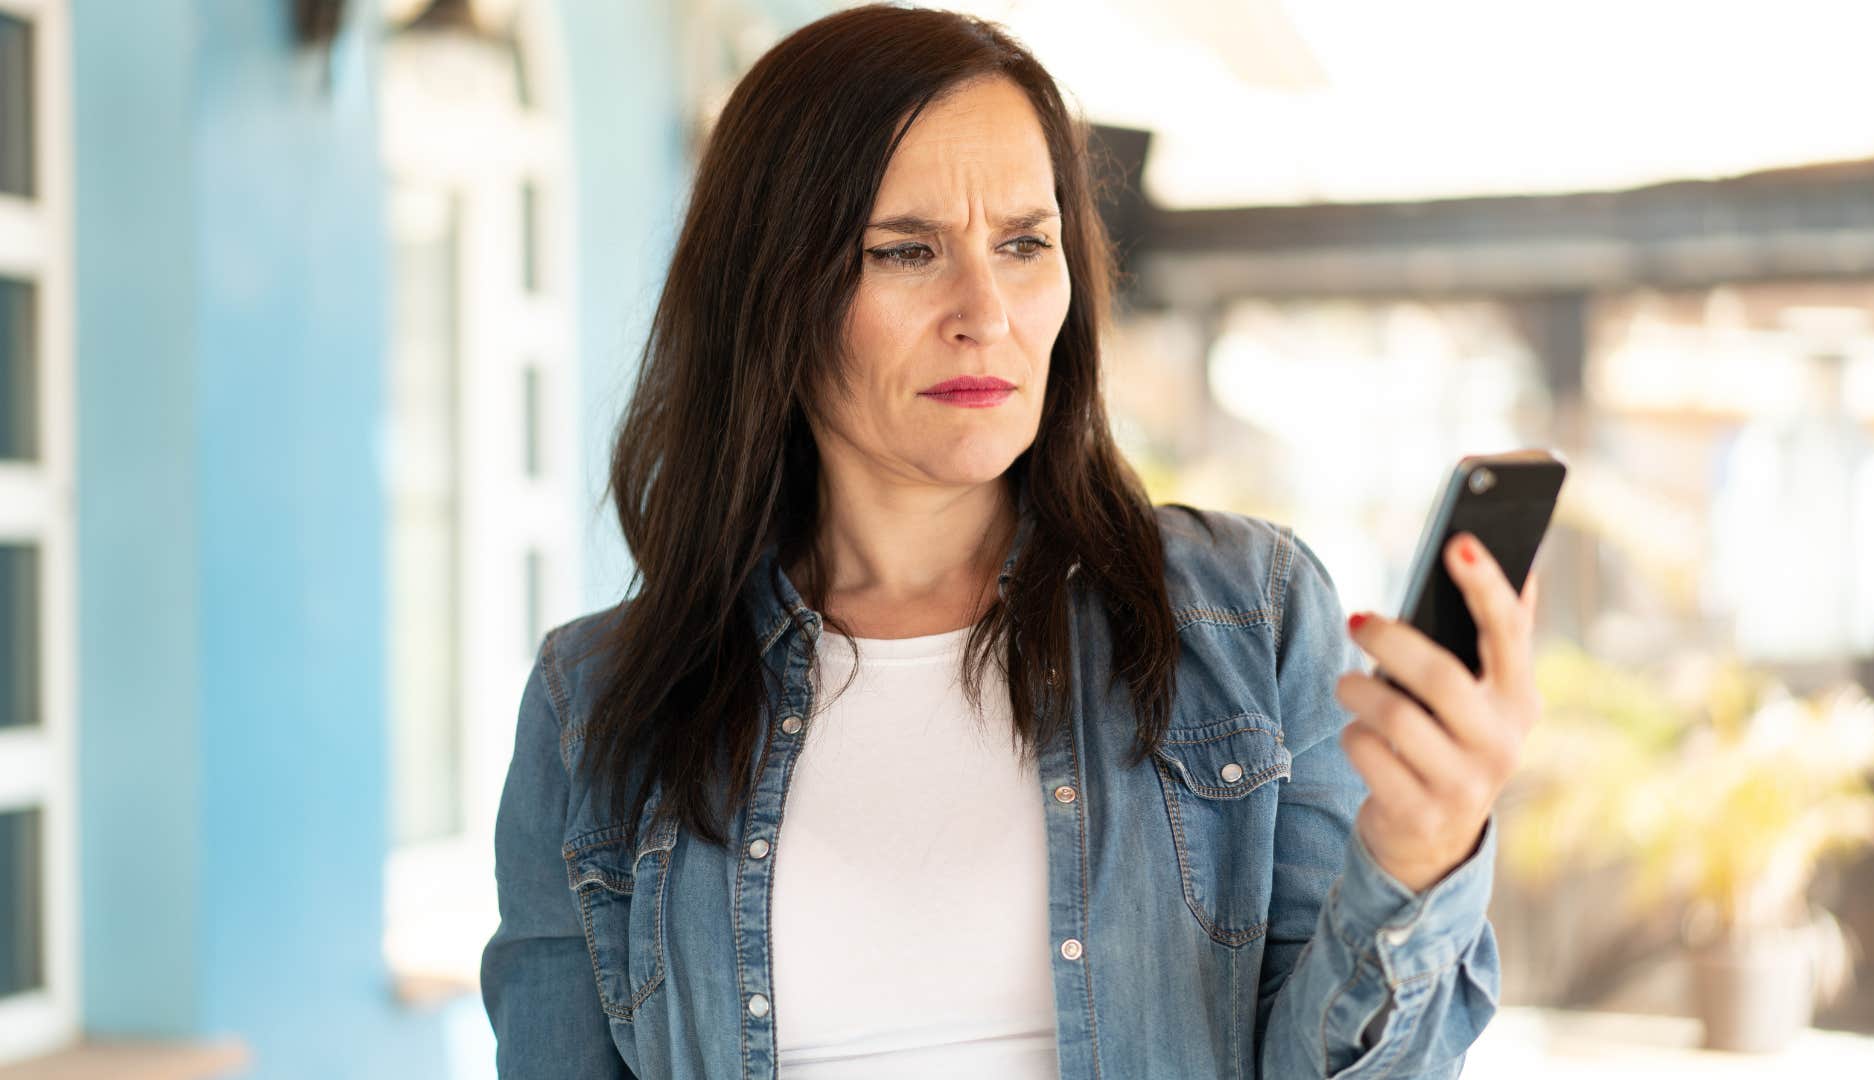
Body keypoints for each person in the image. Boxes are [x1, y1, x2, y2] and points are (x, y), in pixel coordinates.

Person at [480, 5, 1539, 1077]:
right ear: (771, 293)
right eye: (905, 251)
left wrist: (1417, 855)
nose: (985, 309)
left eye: (1026, 244)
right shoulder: (596, 707)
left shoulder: (1249, 616)